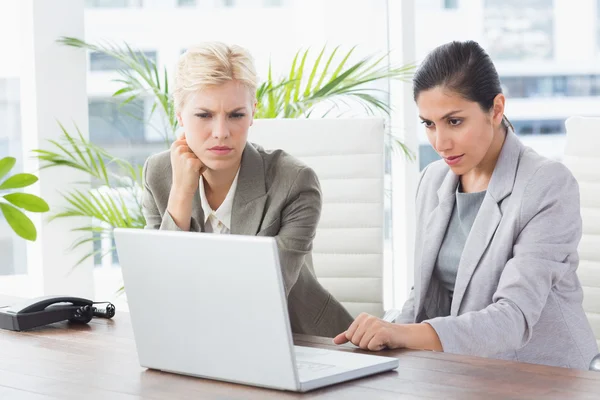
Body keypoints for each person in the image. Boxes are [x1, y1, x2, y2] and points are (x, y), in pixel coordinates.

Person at [333, 40, 599, 370]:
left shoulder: (547, 184)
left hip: (543, 374)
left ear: (497, 109)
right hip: (464, 370)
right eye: (429, 124)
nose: (440, 143)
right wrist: (385, 343)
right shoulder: (433, 180)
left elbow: (513, 318)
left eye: (454, 121)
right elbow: (425, 294)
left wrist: (401, 333)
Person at [141, 41, 353, 337]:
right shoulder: (159, 174)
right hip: (194, 340)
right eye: (204, 115)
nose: (220, 132)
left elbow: (265, 294)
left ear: (253, 113)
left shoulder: (295, 183)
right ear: (179, 115)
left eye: (236, 115)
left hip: (299, 341)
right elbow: (158, 291)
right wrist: (180, 194)